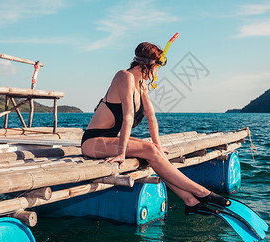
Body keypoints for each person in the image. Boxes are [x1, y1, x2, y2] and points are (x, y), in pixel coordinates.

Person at [81, 42, 230, 215]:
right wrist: (122, 153)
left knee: (154, 152)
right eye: (158, 66)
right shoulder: (124, 77)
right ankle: (202, 193)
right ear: (150, 64)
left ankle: (190, 201)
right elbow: (128, 116)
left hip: (109, 140)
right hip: (92, 142)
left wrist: (158, 145)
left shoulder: (142, 85)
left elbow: (151, 118)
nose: (157, 71)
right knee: (150, 150)